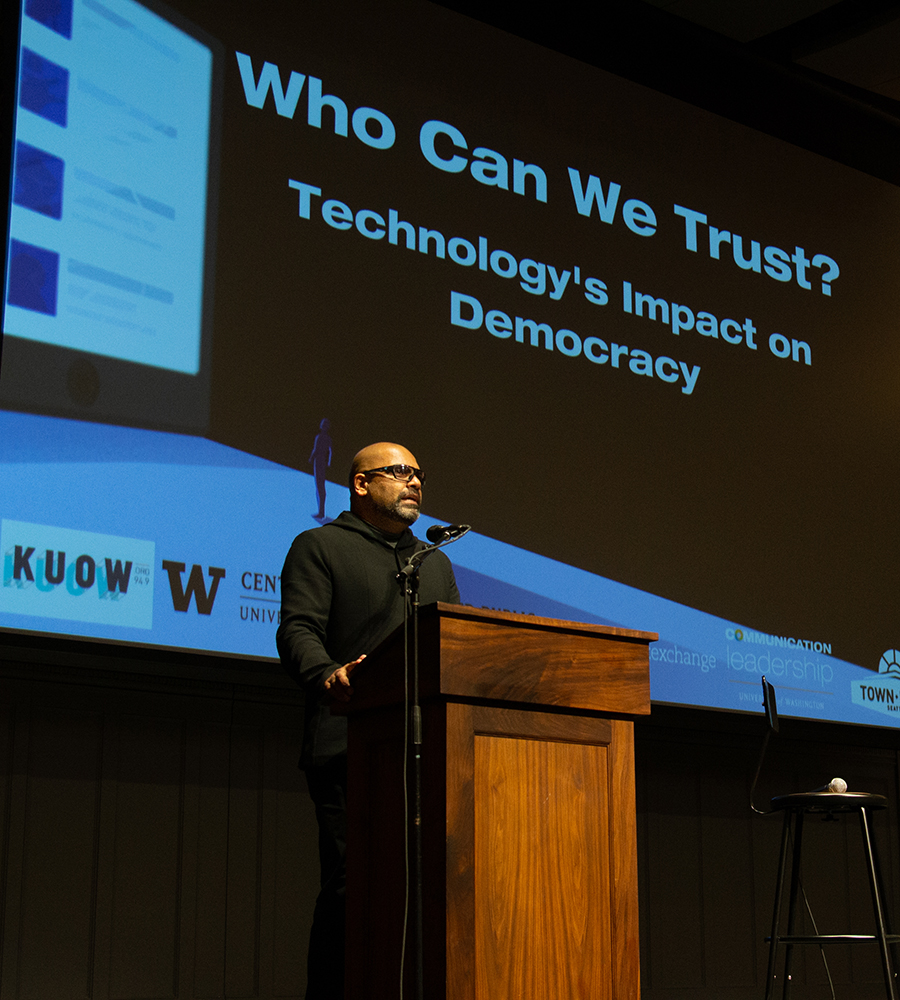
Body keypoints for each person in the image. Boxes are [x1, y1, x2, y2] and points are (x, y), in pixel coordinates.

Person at [276, 441, 460, 1000]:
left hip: (432, 749)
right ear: (360, 484)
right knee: (353, 888)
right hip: (350, 747)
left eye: (418, 474)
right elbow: (297, 630)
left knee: (431, 890)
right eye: (399, 473)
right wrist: (329, 673)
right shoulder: (320, 546)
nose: (414, 483)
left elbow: (455, 648)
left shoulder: (435, 563)